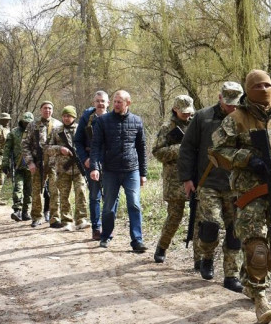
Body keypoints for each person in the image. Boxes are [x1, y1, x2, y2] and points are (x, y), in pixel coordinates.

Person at [210, 70, 271, 324]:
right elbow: (216, 152)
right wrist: (247, 158)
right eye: (258, 86)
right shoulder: (236, 118)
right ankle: (260, 297)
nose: (264, 89)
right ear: (248, 90)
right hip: (249, 193)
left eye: (268, 84)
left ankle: (250, 278)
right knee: (257, 245)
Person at [179, 81, 244, 292]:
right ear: (220, 98)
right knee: (210, 225)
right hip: (207, 182)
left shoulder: (245, 118)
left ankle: (232, 274)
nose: (232, 108)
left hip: (236, 184)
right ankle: (206, 257)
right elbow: (187, 148)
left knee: (235, 231)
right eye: (228, 103)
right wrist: (187, 179)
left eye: (236, 104)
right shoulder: (203, 117)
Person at [89, 90, 148, 252]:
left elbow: (141, 148)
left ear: (128, 103)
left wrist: (143, 173)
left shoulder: (137, 121)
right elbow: (96, 146)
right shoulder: (103, 121)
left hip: (132, 170)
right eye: (114, 101)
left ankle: (137, 240)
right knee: (108, 206)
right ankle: (106, 235)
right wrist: (94, 167)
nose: (115, 104)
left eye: (119, 102)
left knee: (134, 203)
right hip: (110, 170)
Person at [152, 95, 195, 263]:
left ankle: (199, 258)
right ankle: (162, 247)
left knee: (199, 218)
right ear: (175, 109)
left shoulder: (195, 124)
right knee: (174, 217)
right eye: (184, 112)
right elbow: (157, 152)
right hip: (174, 180)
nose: (187, 116)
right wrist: (181, 148)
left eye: (189, 112)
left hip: (195, 176)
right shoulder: (166, 128)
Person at [74, 90, 109, 240]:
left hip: (109, 162)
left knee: (110, 196)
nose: (100, 104)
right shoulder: (86, 119)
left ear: (108, 103)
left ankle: (108, 227)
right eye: (97, 101)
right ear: (93, 103)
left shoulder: (113, 118)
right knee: (95, 196)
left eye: (103, 101)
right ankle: (96, 228)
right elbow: (77, 141)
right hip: (91, 161)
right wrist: (84, 159)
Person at [48, 106, 88, 231]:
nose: (66, 118)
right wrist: (60, 149)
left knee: (81, 193)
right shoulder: (56, 130)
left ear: (74, 117)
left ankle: (81, 219)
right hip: (62, 169)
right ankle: (67, 221)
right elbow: (47, 148)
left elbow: (88, 145)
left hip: (79, 168)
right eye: (64, 116)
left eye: (69, 116)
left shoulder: (81, 129)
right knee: (64, 196)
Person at [22, 101, 62, 227]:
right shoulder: (32, 125)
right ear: (40, 110)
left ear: (53, 110)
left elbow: (63, 145)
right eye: (45, 108)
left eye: (50, 108)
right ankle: (36, 217)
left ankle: (55, 218)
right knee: (36, 191)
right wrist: (30, 163)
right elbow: (24, 145)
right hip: (38, 163)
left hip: (54, 164)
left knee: (55, 191)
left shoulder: (58, 125)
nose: (47, 110)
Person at [2, 112, 34, 221]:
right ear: (22, 121)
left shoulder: (35, 132)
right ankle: (17, 210)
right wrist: (5, 164)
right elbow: (7, 149)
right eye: (25, 122)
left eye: (29, 122)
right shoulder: (14, 133)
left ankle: (26, 212)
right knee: (18, 187)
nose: (27, 124)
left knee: (29, 190)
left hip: (32, 166)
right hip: (18, 166)